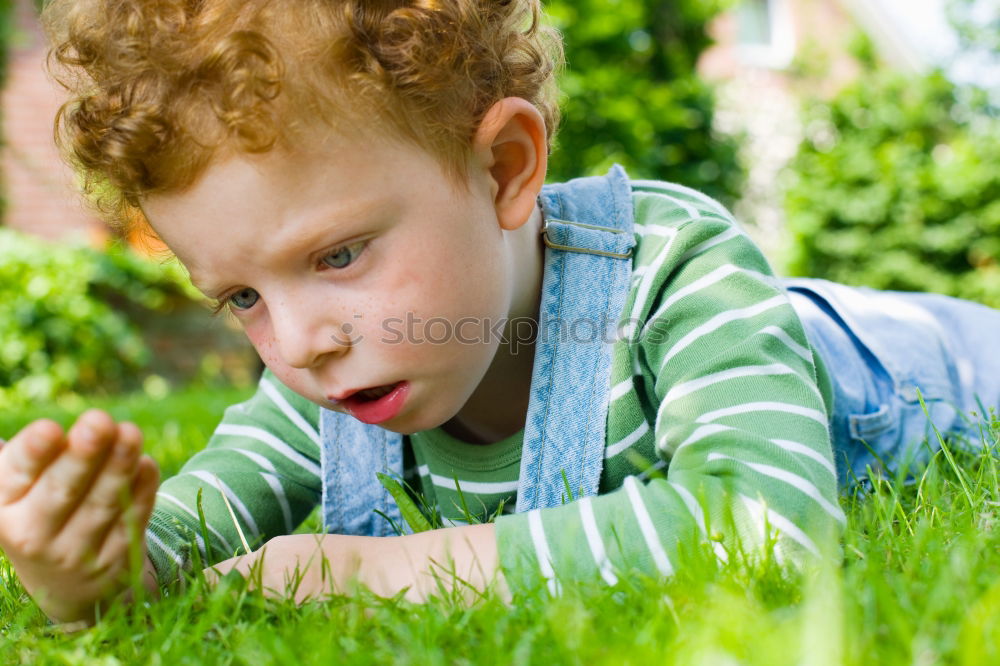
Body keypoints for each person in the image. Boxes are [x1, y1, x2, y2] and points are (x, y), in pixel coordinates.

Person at [2, 0, 999, 626]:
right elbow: (189, 546)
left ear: (503, 168)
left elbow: (768, 523)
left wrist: (372, 573)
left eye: (338, 254)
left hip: (914, 356)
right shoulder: (330, 386)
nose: (300, 342)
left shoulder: (671, 268)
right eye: (242, 296)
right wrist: (94, 567)